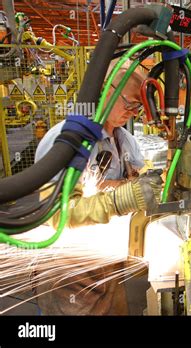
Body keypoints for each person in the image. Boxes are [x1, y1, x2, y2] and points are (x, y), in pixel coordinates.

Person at [34, 60, 159, 315]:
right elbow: (58, 214)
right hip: (70, 270)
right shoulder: (64, 141)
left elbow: (137, 179)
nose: (134, 112)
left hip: (106, 262)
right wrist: (117, 199)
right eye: (130, 103)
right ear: (105, 89)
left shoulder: (125, 140)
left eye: (139, 106)